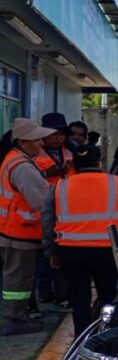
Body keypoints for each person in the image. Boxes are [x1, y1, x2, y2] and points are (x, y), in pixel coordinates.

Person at [42, 144, 118, 336]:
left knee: (79, 300)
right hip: (107, 251)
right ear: (99, 162)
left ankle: (82, 340)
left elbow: (47, 222)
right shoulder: (116, 183)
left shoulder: (59, 187)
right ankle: (111, 337)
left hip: (70, 252)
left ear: (73, 164)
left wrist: (51, 252)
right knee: (109, 298)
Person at [0, 119, 55, 335]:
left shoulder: (14, 160)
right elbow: (41, 203)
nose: (41, 143)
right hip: (20, 234)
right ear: (23, 142)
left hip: (14, 231)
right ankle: (14, 319)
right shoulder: (23, 167)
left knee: (18, 278)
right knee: (18, 280)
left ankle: (18, 315)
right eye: (36, 139)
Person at [33, 113, 74, 308]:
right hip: (43, 210)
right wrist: (50, 172)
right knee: (44, 255)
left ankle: (61, 294)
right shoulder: (36, 153)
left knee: (60, 255)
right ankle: (44, 293)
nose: (58, 138)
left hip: (64, 210)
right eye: (54, 134)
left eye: (61, 134)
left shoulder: (69, 152)